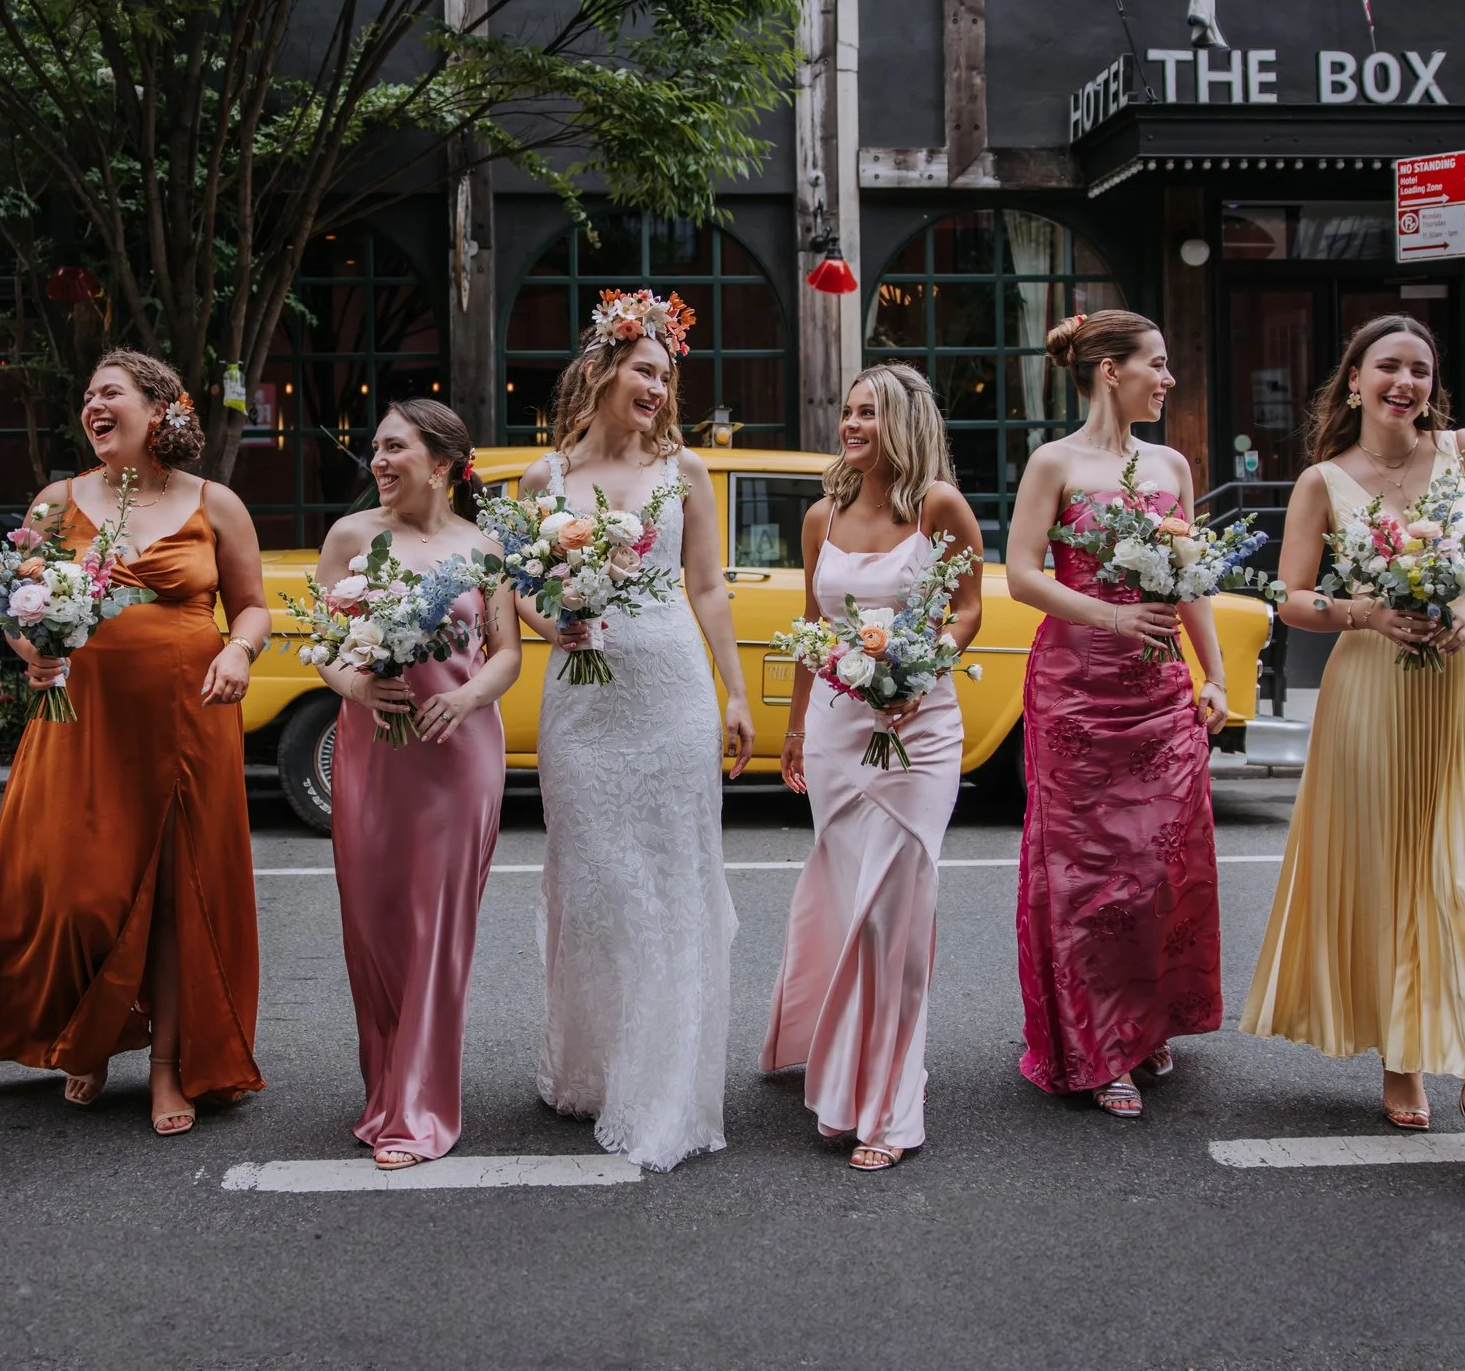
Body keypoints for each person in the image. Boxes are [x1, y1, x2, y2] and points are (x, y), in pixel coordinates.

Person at [0, 349, 272, 1134]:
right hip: (80, 725)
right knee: (77, 892)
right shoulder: (56, 502)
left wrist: (236, 650)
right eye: (87, 394)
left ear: (159, 410)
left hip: (188, 723)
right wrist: (34, 651)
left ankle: (171, 1066)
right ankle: (92, 1032)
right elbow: (21, 608)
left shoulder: (216, 504)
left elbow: (252, 607)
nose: (93, 405)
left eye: (109, 392)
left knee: (182, 900)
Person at [1241, 315, 1465, 1165]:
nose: (1405, 382)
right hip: (1370, 694)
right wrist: (1370, 613)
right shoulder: (1322, 481)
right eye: (1388, 366)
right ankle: (1402, 1054)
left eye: (1419, 369)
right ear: (1355, 381)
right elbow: (1292, 598)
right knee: (1389, 876)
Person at [519, 289, 754, 1170]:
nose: (657, 386)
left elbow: (707, 589)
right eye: (644, 369)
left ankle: (661, 1082)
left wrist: (735, 692)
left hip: (669, 692)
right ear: (606, 368)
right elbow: (524, 588)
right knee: (594, 881)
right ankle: (593, 1066)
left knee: (668, 882)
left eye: (667, 373)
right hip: (583, 702)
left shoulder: (683, 473)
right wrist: (557, 626)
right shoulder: (548, 477)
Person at [1005, 310, 1230, 1119]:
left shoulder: (1170, 464)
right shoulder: (1053, 462)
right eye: (1157, 365)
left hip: (1161, 688)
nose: (1168, 380)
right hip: (1075, 687)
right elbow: (1022, 576)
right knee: (1090, 873)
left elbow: (1191, 578)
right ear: (1110, 369)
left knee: (1158, 871)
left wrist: (1216, 674)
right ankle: (1099, 1045)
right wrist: (1108, 617)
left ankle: (1147, 1021)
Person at [761, 364, 984, 1171]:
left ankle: (889, 1106)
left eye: (867, 412)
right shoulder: (822, 515)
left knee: (896, 917)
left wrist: (919, 671)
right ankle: (841, 1073)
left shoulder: (939, 508)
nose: (851, 424)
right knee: (847, 897)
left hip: (919, 732)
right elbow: (810, 623)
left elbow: (969, 609)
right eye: (848, 410)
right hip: (834, 731)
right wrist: (792, 725)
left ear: (903, 422)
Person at [311, 400, 523, 1170]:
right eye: (374, 448)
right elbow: (324, 643)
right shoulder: (350, 538)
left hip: (458, 758)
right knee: (373, 930)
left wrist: (468, 697)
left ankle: (419, 1112)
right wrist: (358, 689)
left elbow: (506, 653)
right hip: (371, 755)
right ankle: (387, 1087)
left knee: (436, 933)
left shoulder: (482, 547)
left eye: (394, 447)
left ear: (440, 462)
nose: (378, 460)